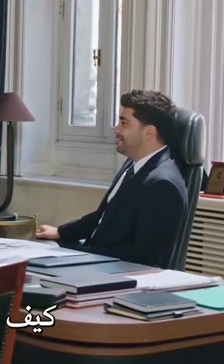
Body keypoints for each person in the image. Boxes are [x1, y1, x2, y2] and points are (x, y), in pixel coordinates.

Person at [35, 90, 188, 268]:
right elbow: (102, 218)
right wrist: (60, 233)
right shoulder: (133, 165)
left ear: (149, 133)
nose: (116, 129)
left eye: (124, 123)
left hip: (115, 272)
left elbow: (144, 257)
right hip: (96, 259)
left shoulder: (163, 184)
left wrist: (79, 254)